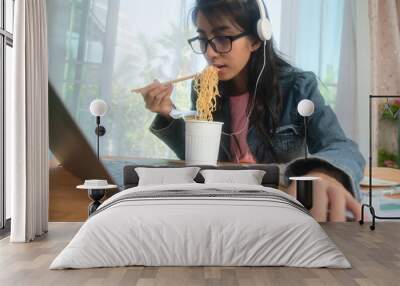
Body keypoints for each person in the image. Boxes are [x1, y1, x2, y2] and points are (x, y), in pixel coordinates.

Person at [138, 0, 365, 222]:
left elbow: (341, 146)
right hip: (225, 207)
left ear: (256, 39)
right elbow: (203, 157)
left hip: (281, 209)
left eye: (222, 37)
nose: (210, 53)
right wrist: (169, 111)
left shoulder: (297, 87)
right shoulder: (203, 88)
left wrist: (322, 173)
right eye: (203, 39)